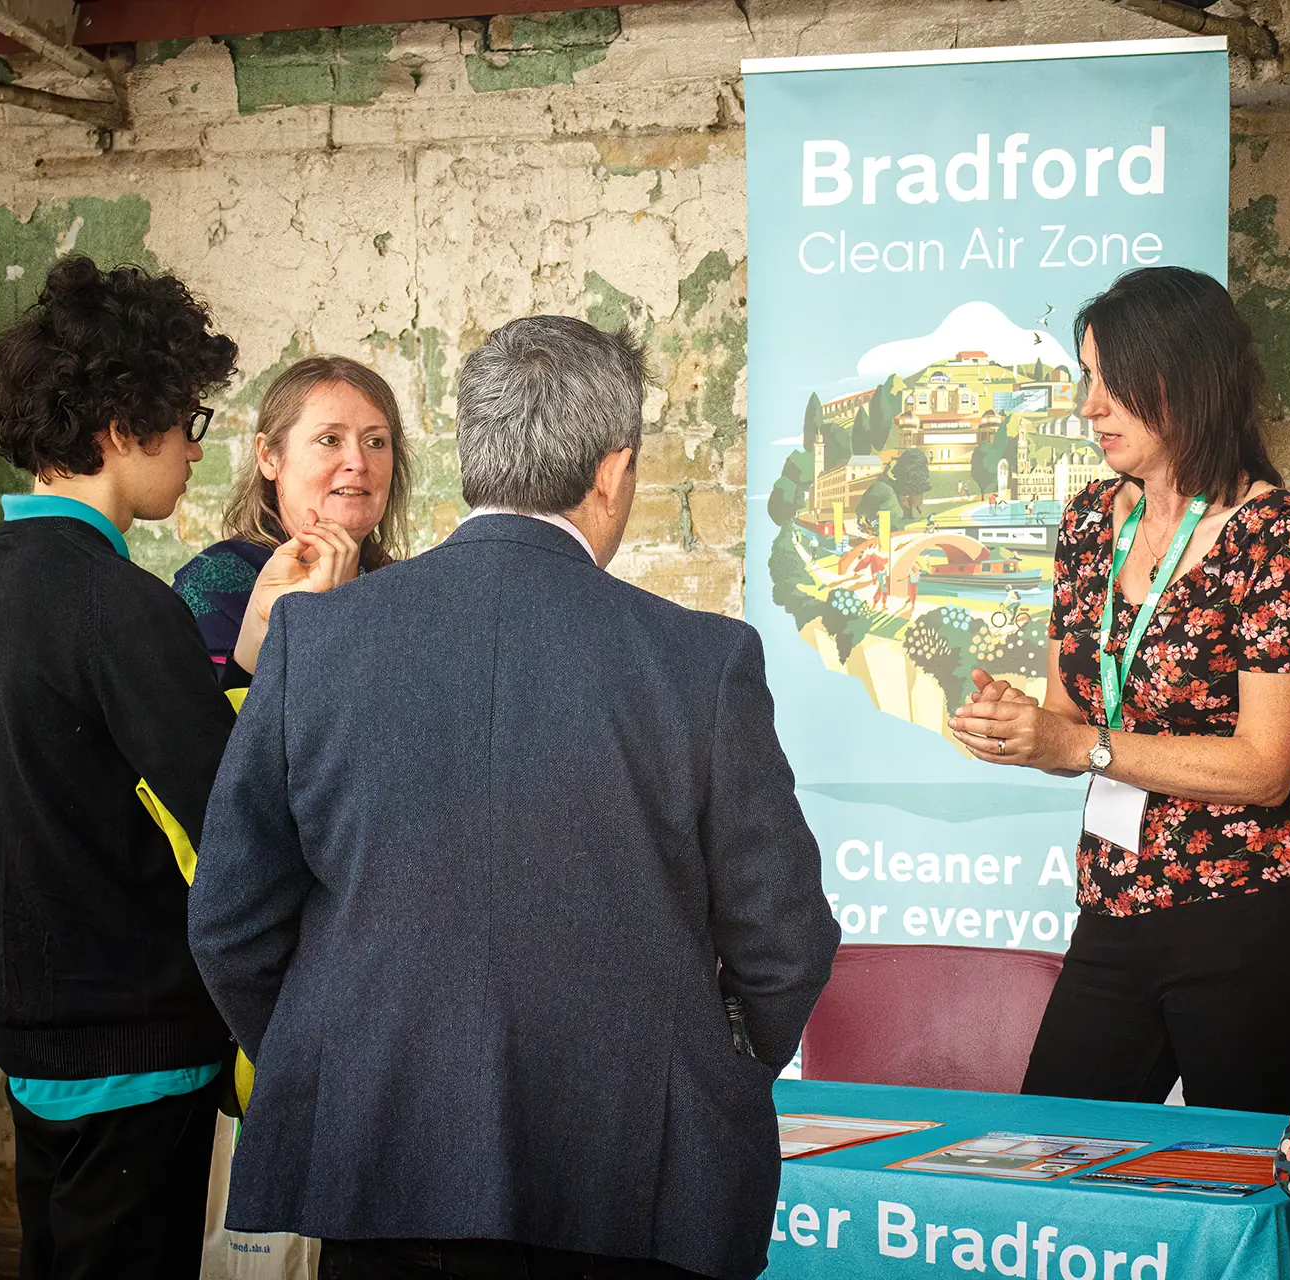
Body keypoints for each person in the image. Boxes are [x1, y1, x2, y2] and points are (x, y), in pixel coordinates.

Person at [188, 315, 840, 1280]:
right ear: (613, 471)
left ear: (473, 456)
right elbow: (781, 941)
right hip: (631, 1175)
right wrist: (707, 1057)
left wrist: (342, 1052)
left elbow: (231, 923)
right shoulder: (701, 662)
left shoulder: (314, 642)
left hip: (380, 1158)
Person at [947, 266, 1290, 1113]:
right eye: (1088, 378)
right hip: (1115, 897)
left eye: (1114, 382)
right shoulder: (1093, 520)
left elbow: (1264, 768)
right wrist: (1023, 728)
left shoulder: (1276, 533)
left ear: (1185, 380)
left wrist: (1079, 745)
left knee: (1247, 1190)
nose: (1090, 406)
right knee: (1049, 1151)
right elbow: (1071, 720)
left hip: (1250, 909)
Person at [0, 256, 239, 1279]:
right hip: (139, 1048)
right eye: (186, 420)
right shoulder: (122, 606)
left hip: (35, 1039)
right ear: (120, 425)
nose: (197, 449)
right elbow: (238, 821)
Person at [174, 355, 412, 687]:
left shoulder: (408, 588)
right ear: (269, 457)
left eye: (376, 442)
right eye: (330, 440)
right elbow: (226, 731)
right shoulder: (214, 586)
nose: (358, 462)